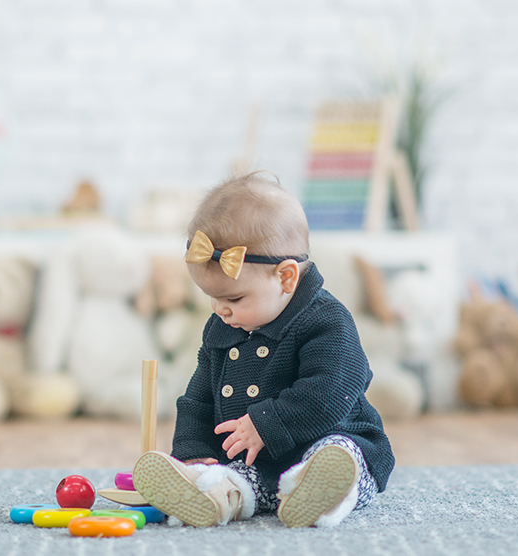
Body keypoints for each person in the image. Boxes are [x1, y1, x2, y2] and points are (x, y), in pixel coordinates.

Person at [132, 171, 394, 528]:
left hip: (333, 439)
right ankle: (213, 496)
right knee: (236, 478)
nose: (219, 310)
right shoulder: (223, 327)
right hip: (259, 461)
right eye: (212, 297)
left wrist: (268, 423)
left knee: (339, 456)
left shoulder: (326, 320)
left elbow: (331, 390)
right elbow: (199, 398)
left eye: (234, 298)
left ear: (286, 278)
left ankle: (323, 492)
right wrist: (194, 453)